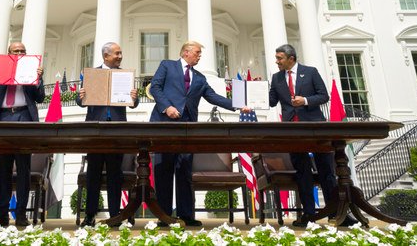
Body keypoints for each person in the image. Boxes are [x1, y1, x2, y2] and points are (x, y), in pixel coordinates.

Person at [149, 40, 251, 227]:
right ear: (186, 52)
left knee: (185, 171)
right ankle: (164, 216)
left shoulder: (200, 78)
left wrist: (238, 105)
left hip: (188, 129)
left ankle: (186, 215)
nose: (199, 56)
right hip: (164, 125)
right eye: (197, 52)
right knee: (163, 170)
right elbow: (154, 87)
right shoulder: (167, 65)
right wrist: (167, 107)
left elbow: (214, 97)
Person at [268, 43, 356, 227]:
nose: (276, 61)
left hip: (316, 128)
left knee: (327, 171)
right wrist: (253, 94)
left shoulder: (310, 72)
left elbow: (324, 96)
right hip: (292, 131)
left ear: (291, 59)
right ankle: (309, 215)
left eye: (279, 58)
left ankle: (336, 214)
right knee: (302, 172)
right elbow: (271, 101)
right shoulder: (276, 78)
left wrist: (305, 100)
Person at [0, 42, 45, 227]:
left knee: (23, 167)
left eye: (23, 51)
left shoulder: (33, 68)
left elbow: (40, 97)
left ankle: (21, 213)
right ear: (8, 53)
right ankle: (1, 213)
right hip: (3, 118)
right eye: (16, 51)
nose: (19, 53)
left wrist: (38, 79)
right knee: (3, 168)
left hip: (24, 116)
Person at [75, 42, 139, 227]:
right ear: (106, 56)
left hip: (117, 131)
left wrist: (134, 98)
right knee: (93, 174)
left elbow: (132, 104)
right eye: (117, 53)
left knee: (115, 175)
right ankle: (90, 215)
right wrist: (81, 96)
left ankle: (114, 215)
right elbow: (81, 102)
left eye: (121, 53)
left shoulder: (125, 75)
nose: (120, 56)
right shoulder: (91, 74)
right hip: (95, 130)